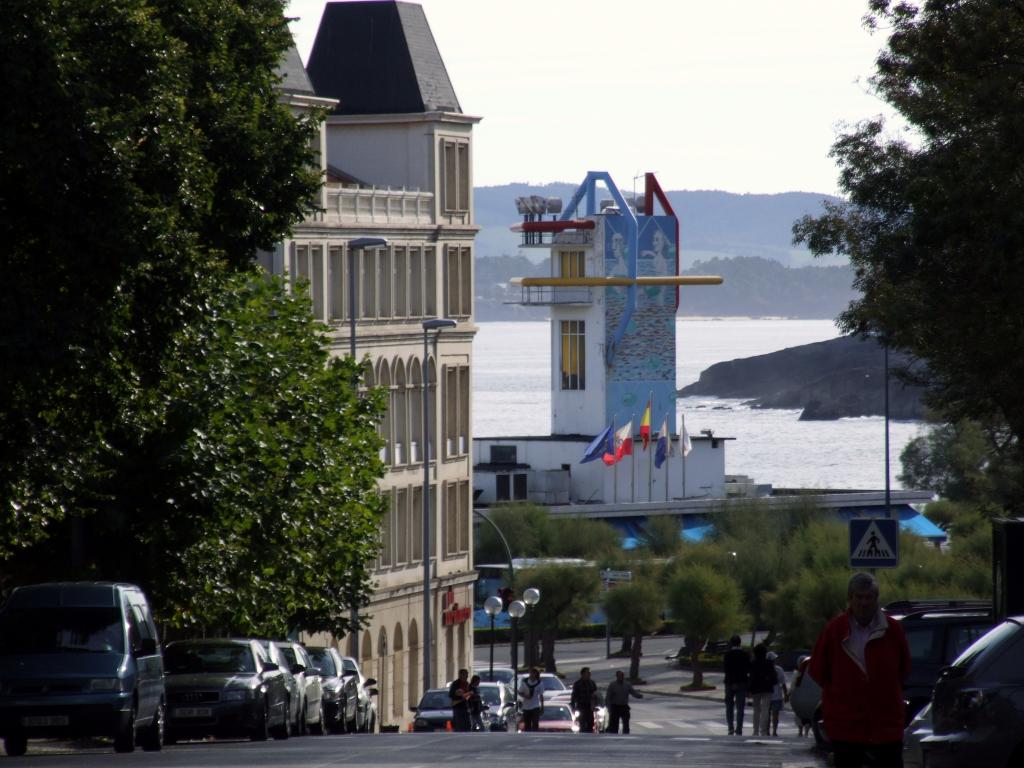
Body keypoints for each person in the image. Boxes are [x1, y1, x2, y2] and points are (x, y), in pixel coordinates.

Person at [810, 572, 911, 768]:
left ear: (876, 599)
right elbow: (817, 670)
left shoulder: (892, 630)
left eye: (869, 597)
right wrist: (842, 693)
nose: (863, 603)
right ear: (850, 598)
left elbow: (904, 669)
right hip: (846, 724)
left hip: (885, 723)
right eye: (859, 597)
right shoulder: (835, 630)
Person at [722, 634, 750, 735]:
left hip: (729, 683)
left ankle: (730, 727)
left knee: (729, 707)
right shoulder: (745, 654)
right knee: (740, 708)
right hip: (742, 683)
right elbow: (748, 669)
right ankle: (739, 729)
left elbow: (726, 669)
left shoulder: (727, 654)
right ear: (740, 642)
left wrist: (732, 682)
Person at [748, 643, 776, 737]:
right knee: (765, 709)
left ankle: (755, 731)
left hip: (756, 688)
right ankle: (763, 731)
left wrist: (749, 689)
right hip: (767, 688)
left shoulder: (753, 663)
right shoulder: (769, 664)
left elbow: (751, 677)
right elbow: (774, 678)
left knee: (756, 710)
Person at [604, 670, 643, 734]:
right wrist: (609, 708)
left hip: (624, 707)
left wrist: (638, 695)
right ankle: (613, 735)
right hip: (615, 707)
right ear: (617, 676)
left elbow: (632, 692)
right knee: (614, 725)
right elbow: (608, 697)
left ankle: (626, 735)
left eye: (622, 676)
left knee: (626, 723)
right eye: (619, 676)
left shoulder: (627, 684)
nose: (621, 677)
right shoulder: (612, 685)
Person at [570, 667, 598, 733]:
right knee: (582, 722)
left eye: (589, 673)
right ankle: (583, 732)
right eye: (587, 673)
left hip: (589, 706)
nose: (589, 674)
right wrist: (573, 707)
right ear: (583, 674)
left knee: (591, 722)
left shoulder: (592, 683)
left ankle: (590, 732)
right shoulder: (577, 684)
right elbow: (574, 696)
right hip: (581, 706)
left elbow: (596, 695)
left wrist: (595, 705)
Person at [767, 651, 789, 737]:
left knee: (767, 714)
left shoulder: (764, 669)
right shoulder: (779, 669)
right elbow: (783, 683)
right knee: (775, 715)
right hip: (777, 694)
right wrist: (786, 694)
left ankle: (767, 730)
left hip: (767, 694)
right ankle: (774, 731)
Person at [792, 654, 813, 737]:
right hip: (811, 696)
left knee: (799, 714)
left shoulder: (798, 673)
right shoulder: (812, 671)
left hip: (800, 695)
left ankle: (800, 731)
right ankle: (806, 731)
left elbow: (794, 685)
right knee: (809, 715)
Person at [518, 667, 544, 732]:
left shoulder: (539, 683)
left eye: (533, 673)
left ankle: (535, 734)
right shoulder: (525, 682)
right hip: (526, 706)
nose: (531, 675)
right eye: (531, 673)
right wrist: (526, 696)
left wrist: (542, 706)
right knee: (527, 724)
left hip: (535, 706)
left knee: (535, 723)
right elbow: (520, 692)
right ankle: (528, 736)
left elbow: (541, 695)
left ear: (536, 674)